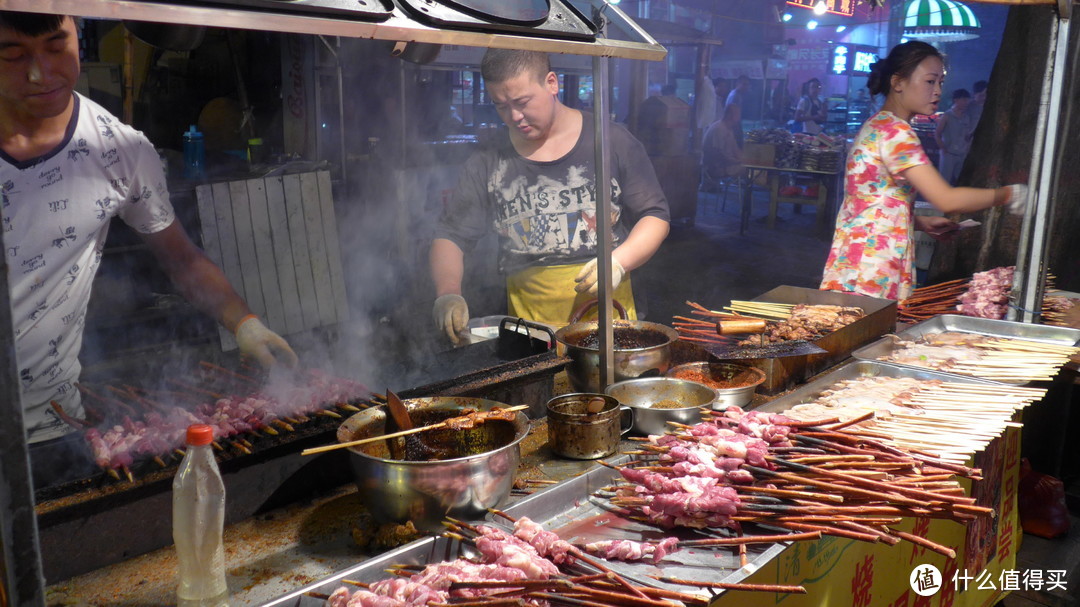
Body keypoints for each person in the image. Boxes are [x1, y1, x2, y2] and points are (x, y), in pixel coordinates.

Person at [0, 13, 298, 453]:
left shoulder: (118, 149)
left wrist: (245, 323)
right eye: (11, 54)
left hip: (51, 425)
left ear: (78, 36)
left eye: (55, 46)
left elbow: (180, 257)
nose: (39, 72)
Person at [430, 49, 670, 342]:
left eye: (522, 102)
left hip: (610, 323)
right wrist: (448, 293)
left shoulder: (611, 140)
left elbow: (655, 215)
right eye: (500, 106)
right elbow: (452, 235)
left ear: (552, 83)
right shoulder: (488, 159)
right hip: (530, 330)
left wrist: (619, 262)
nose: (514, 116)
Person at [820, 41, 1028, 302]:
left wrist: (917, 222)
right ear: (898, 82)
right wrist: (1009, 195)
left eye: (940, 82)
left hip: (854, 257)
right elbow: (946, 199)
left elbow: (871, 199)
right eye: (930, 81)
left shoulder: (877, 124)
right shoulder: (897, 132)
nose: (938, 91)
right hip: (873, 266)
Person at [935, 89, 973, 185]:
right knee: (944, 181)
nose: (966, 102)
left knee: (960, 180)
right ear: (956, 100)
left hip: (961, 154)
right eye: (964, 100)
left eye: (967, 100)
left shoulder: (966, 116)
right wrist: (943, 148)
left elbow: (966, 135)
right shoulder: (947, 115)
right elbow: (937, 133)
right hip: (949, 154)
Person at [701, 103, 744, 180]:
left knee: (748, 166)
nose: (739, 116)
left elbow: (735, 148)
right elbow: (718, 153)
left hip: (726, 164)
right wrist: (736, 161)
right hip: (716, 167)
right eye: (737, 114)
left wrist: (743, 159)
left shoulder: (728, 128)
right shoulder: (719, 129)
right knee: (747, 169)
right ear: (729, 115)